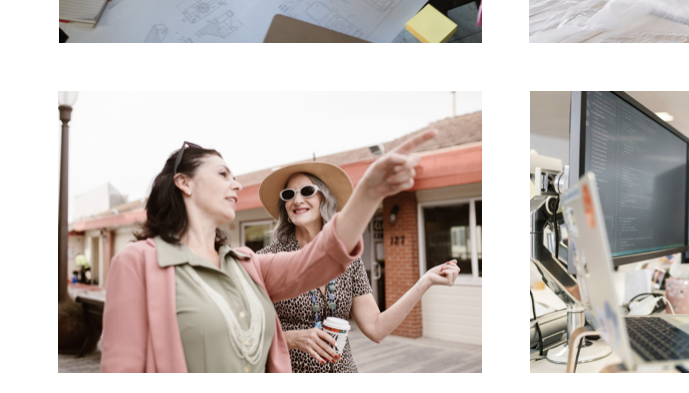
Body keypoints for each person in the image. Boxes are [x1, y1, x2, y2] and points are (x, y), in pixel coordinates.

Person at [100, 132, 435, 372]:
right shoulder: (137, 263)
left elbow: (322, 258)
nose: (236, 185)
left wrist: (371, 191)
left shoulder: (246, 264)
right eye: (222, 174)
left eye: (234, 177)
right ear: (184, 183)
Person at [256, 159, 460, 372]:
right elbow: (245, 335)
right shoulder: (266, 261)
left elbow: (376, 328)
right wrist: (290, 339)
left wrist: (424, 282)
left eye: (307, 191)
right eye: (289, 194)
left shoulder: (347, 258)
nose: (297, 200)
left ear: (325, 198)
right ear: (285, 208)